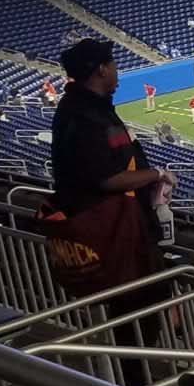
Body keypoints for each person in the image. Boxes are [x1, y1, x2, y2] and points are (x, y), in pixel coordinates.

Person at [47, 39, 175, 303]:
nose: (118, 69)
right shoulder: (85, 116)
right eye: (113, 63)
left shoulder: (86, 108)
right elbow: (106, 178)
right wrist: (157, 175)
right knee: (136, 310)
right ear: (102, 70)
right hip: (113, 234)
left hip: (116, 227)